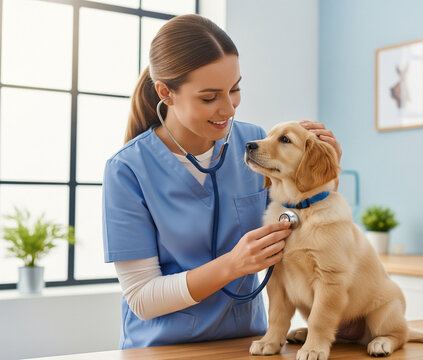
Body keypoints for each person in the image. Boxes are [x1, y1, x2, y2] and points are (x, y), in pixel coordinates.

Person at [102, 14, 342, 349]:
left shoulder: (257, 145)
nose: (229, 108)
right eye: (209, 97)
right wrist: (233, 264)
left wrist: (323, 167)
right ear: (165, 93)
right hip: (163, 350)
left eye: (235, 89)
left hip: (249, 344)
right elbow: (142, 298)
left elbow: (305, 221)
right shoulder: (127, 169)